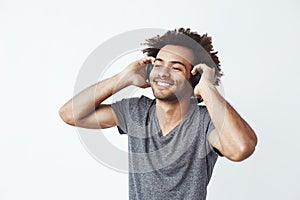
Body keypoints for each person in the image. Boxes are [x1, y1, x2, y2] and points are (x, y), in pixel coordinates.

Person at [59, 28, 258, 200]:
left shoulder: (206, 121)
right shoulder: (137, 112)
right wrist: (122, 78)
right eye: (159, 64)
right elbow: (70, 114)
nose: (163, 72)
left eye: (176, 68)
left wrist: (208, 89)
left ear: (194, 77)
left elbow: (241, 148)